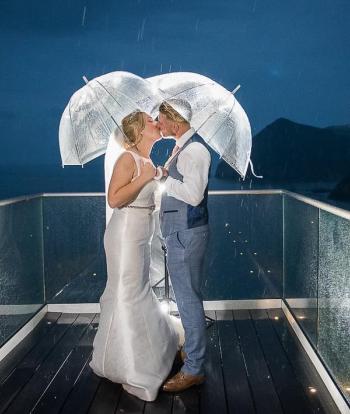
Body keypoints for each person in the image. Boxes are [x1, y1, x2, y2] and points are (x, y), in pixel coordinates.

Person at [89, 110, 183, 402]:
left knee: (139, 290)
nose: (158, 122)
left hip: (141, 234)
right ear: (140, 130)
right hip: (125, 235)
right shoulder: (128, 159)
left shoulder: (146, 162)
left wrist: (159, 173)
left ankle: (150, 353)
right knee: (126, 293)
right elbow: (114, 199)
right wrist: (145, 178)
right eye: (151, 120)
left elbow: (150, 194)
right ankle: (131, 365)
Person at [157, 100, 211, 392]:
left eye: (161, 119)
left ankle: (194, 369)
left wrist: (165, 178)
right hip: (180, 233)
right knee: (187, 298)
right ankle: (192, 353)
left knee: (189, 301)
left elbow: (192, 195)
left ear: (175, 121)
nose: (159, 124)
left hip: (187, 234)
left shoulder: (196, 151)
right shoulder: (182, 148)